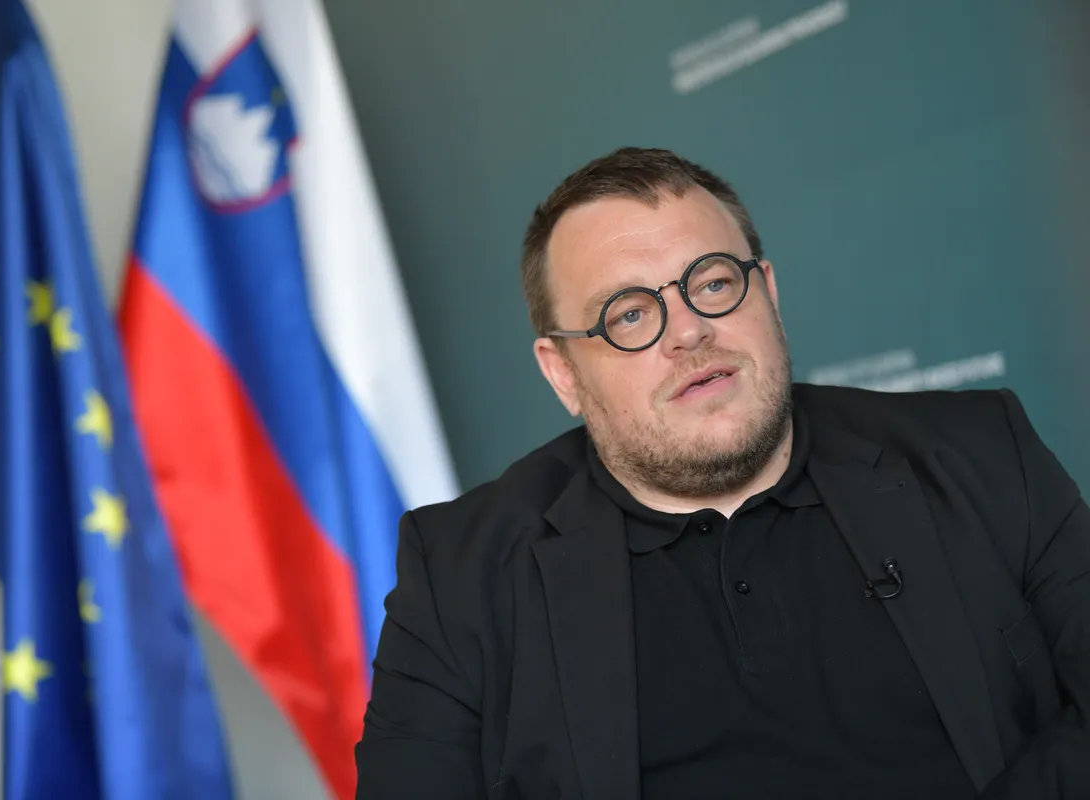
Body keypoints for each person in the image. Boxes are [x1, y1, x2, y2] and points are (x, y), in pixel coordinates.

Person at [353, 147, 1090, 799]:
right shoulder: (460, 574)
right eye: (628, 315)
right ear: (564, 373)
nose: (688, 332)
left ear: (768, 293)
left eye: (710, 283)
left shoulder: (979, 452)